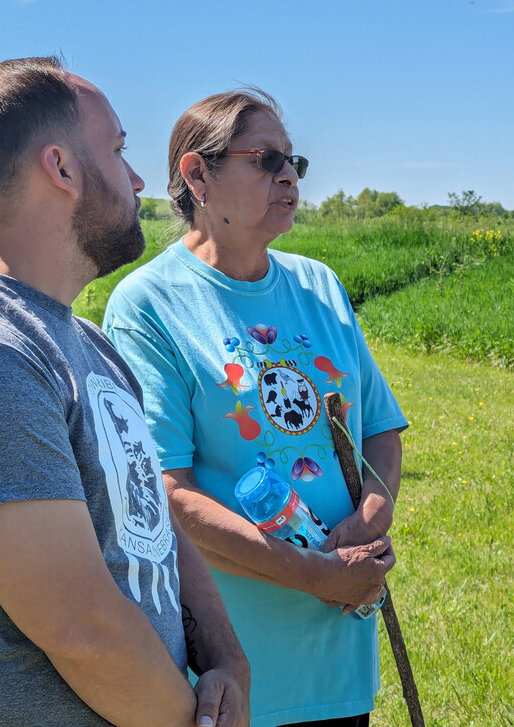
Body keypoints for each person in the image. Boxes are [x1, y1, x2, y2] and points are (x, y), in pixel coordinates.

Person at [0, 56, 250, 727]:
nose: (137, 181)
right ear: (63, 169)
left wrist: (226, 657)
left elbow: (151, 517)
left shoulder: (86, 341)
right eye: (118, 150)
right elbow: (85, 631)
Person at [102, 89, 406, 727]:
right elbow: (168, 493)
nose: (288, 176)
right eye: (265, 160)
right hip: (233, 663)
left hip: (337, 648)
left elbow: (379, 427)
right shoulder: (147, 304)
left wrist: (369, 521)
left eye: (294, 162)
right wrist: (313, 573)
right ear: (197, 175)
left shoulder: (318, 284)